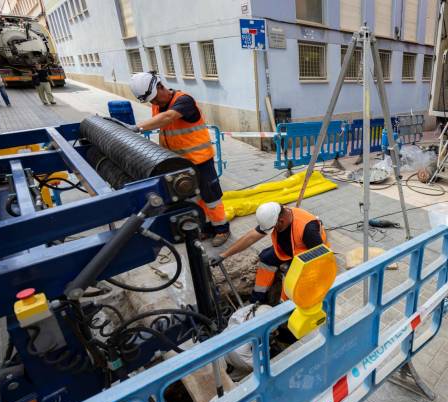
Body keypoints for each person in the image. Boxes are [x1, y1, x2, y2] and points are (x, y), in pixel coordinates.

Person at [128, 71, 230, 246]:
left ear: (160, 86)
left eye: (153, 98)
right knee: (194, 198)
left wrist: (137, 127)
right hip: (180, 162)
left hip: (200, 160)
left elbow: (168, 117)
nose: (153, 103)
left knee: (211, 196)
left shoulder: (184, 101)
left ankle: (222, 229)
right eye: (150, 101)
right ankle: (206, 228)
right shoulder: (157, 106)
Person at [209, 202, 327, 304]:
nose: (272, 231)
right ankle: (257, 299)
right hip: (288, 250)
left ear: (281, 221)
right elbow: (250, 238)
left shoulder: (307, 229)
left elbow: (321, 257)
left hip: (307, 255)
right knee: (265, 258)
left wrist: (299, 272)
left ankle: (283, 307)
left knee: (290, 276)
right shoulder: (275, 216)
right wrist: (224, 255)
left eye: (274, 228)